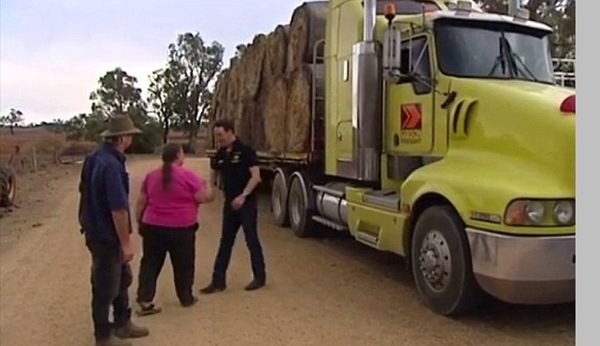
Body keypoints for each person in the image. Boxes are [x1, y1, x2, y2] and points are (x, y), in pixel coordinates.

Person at [78, 114, 149, 346]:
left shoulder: (95, 158)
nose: (130, 139)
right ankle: (104, 337)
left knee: (122, 278)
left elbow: (84, 191)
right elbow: (118, 209)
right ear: (122, 138)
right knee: (105, 286)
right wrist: (126, 242)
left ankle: (122, 323)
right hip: (106, 236)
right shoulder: (111, 165)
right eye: (129, 135)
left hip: (94, 230)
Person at [134, 143, 215, 315]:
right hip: (182, 228)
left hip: (153, 226)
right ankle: (186, 297)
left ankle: (145, 300)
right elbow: (204, 198)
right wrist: (207, 186)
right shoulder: (189, 176)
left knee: (150, 263)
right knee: (184, 264)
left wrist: (139, 222)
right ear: (178, 155)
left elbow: (141, 202)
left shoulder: (151, 176)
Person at [200, 119, 266, 294]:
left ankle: (259, 277)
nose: (219, 138)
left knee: (251, 239)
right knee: (225, 242)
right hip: (229, 204)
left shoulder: (246, 151)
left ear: (230, 132)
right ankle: (218, 281)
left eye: (220, 135)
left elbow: (256, 177)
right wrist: (210, 189)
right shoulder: (221, 153)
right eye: (217, 135)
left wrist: (243, 196)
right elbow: (213, 169)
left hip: (246, 203)